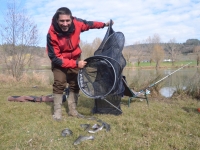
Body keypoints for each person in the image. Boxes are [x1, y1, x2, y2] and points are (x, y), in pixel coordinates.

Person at [46, 7, 113, 120]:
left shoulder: (77, 23)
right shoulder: (52, 34)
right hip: (60, 61)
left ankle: (73, 110)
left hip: (76, 57)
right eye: (62, 21)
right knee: (59, 83)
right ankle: (57, 112)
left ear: (71, 19)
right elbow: (55, 57)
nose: (65, 24)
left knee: (75, 83)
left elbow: (89, 24)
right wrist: (76, 64)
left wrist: (105, 24)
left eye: (67, 20)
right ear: (57, 20)